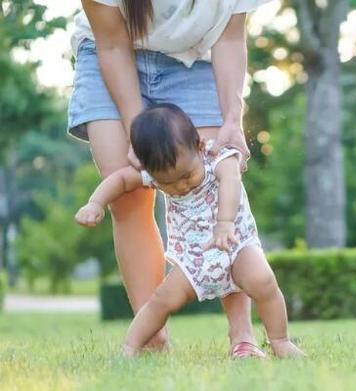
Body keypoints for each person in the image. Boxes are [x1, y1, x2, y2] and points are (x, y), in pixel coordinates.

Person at [68, 0, 271, 357]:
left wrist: (232, 121)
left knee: (213, 189)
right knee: (127, 195)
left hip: (194, 60)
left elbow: (230, 37)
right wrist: (137, 130)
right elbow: (112, 43)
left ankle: (242, 336)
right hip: (112, 54)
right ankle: (151, 336)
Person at [75, 104, 305, 358]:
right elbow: (120, 180)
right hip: (193, 258)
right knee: (160, 300)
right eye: (167, 183)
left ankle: (280, 341)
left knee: (264, 281)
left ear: (198, 146)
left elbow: (231, 180)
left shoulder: (217, 157)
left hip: (234, 245)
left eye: (186, 175)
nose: (180, 186)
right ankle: (129, 349)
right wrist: (95, 203)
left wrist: (225, 222)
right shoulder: (157, 173)